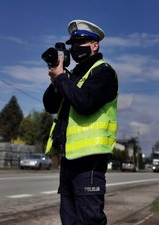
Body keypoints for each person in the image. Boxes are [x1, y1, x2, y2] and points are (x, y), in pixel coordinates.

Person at [43, 19, 118, 225]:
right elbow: (50, 105)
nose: (76, 48)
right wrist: (57, 80)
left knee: (89, 220)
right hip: (69, 160)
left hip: (90, 161)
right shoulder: (72, 76)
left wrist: (62, 80)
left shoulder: (103, 72)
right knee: (69, 220)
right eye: (73, 44)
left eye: (82, 42)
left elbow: (84, 102)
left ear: (95, 45)